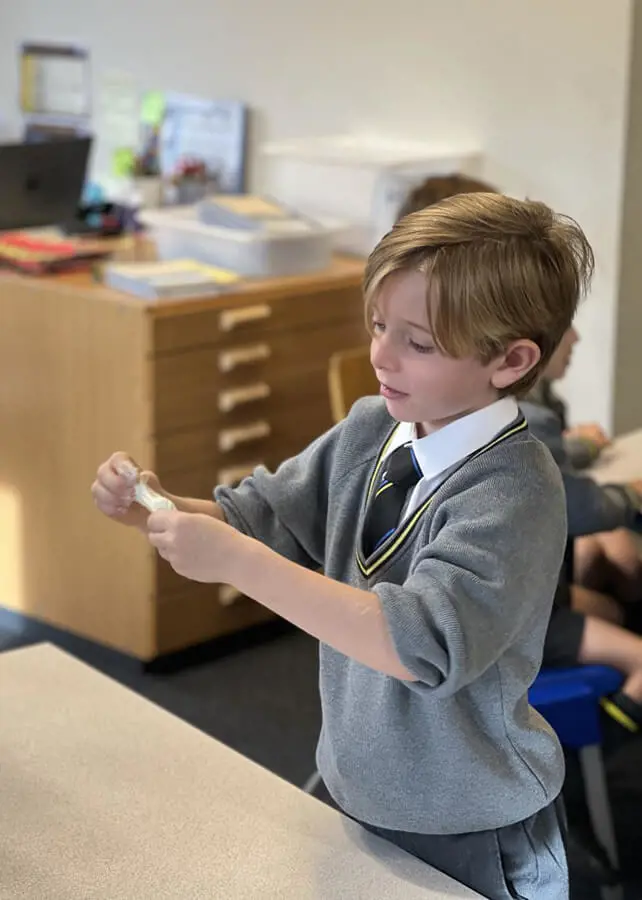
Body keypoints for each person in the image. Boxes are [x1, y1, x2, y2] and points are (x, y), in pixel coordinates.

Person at [92, 192, 594, 900]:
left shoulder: (515, 492)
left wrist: (239, 563)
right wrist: (156, 508)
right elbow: (256, 518)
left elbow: (418, 644)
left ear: (510, 361)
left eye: (418, 344)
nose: (381, 355)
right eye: (379, 325)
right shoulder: (371, 429)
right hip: (358, 786)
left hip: (470, 825)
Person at [521, 328, 642, 747]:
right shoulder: (532, 420)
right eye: (563, 326)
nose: (573, 337)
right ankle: (605, 752)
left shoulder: (526, 413)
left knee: (616, 579)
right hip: (525, 618)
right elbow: (578, 509)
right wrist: (631, 495)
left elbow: (545, 457)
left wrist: (581, 449)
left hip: (530, 600)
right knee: (616, 554)